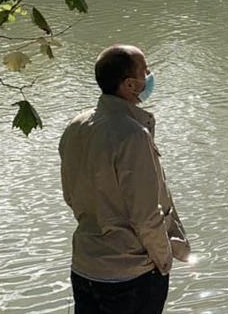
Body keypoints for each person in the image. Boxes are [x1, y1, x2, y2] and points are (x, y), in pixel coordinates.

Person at [59, 44, 190, 314]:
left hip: (85, 266)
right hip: (130, 276)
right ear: (130, 85)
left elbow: (71, 196)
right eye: (145, 70)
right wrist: (164, 260)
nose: (150, 74)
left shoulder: (76, 125)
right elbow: (145, 216)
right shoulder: (132, 135)